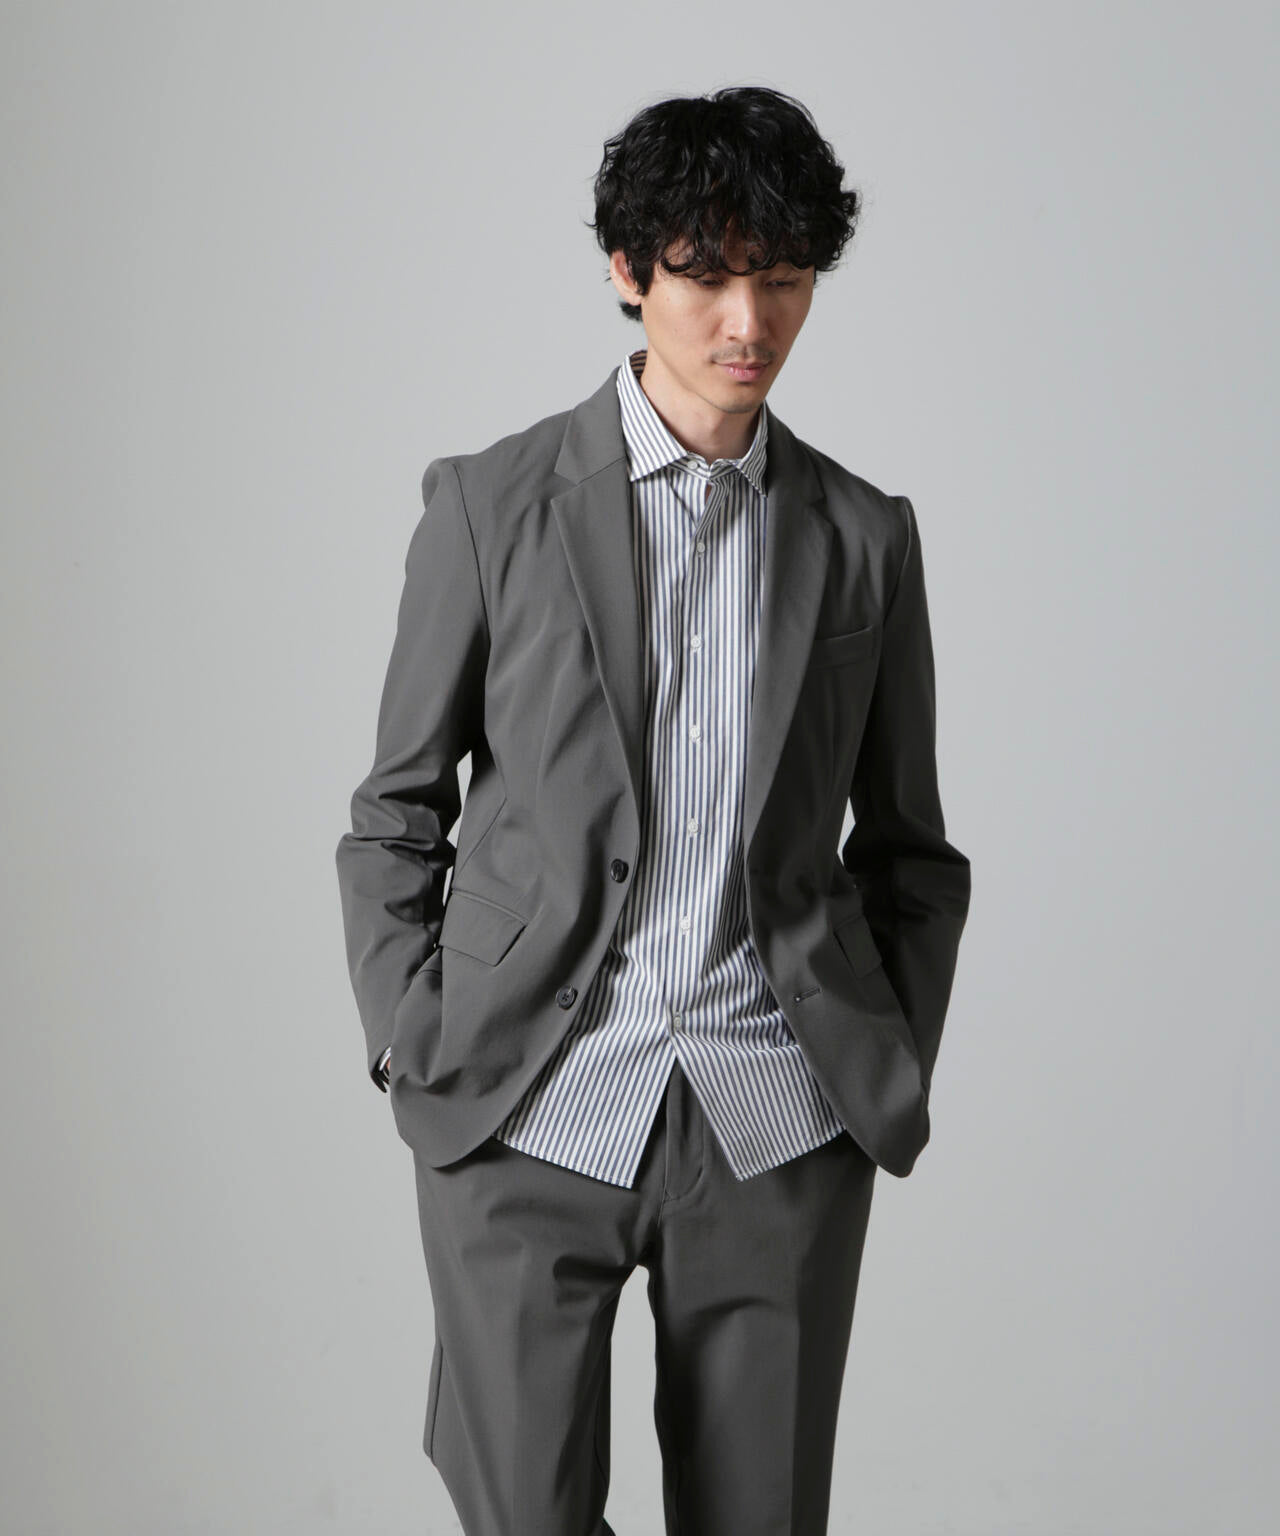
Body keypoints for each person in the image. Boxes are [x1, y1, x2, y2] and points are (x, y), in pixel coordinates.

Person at [335, 83, 971, 1536]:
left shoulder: (864, 540)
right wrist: (410, 1039)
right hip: (526, 1101)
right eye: (708, 275)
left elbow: (913, 855)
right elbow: (394, 816)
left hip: (774, 1120)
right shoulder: (492, 507)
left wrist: (872, 1065)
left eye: (785, 278)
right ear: (629, 272)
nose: (750, 320)